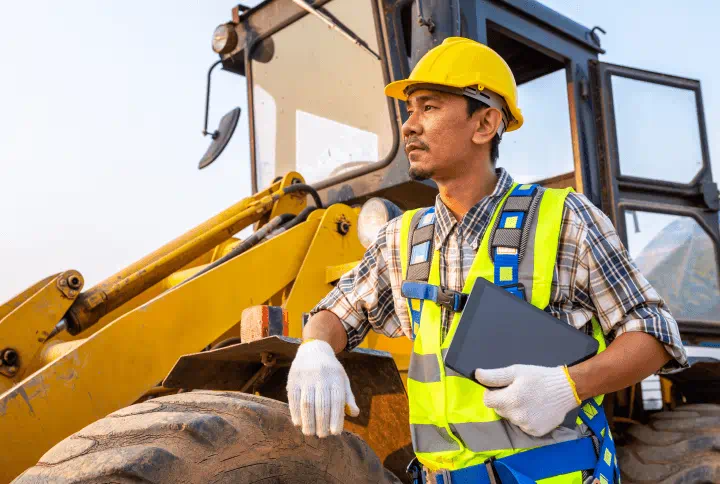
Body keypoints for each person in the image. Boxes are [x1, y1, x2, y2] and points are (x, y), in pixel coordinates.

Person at [286, 37, 687, 483]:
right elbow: (337, 312)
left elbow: (654, 333)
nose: (409, 126)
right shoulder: (400, 240)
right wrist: (316, 347)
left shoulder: (564, 218)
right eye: (410, 109)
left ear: (485, 123)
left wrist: (571, 385)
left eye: (430, 107)